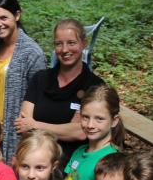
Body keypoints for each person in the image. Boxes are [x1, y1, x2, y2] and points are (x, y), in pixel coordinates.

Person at [16, 19, 105, 163]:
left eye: (71, 43)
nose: (64, 50)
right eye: (59, 44)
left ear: (84, 43)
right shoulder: (40, 79)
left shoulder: (94, 86)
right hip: (35, 162)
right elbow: (23, 125)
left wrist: (35, 125)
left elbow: (81, 132)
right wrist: (65, 129)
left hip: (72, 165)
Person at [0, 0, 46, 163]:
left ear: (17, 15)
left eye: (4, 18)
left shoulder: (32, 54)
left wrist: (28, 140)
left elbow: (39, 102)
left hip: (15, 134)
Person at [63, 85, 124, 180]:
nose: (90, 125)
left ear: (114, 121)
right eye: (85, 117)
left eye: (99, 119)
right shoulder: (79, 151)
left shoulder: (113, 160)